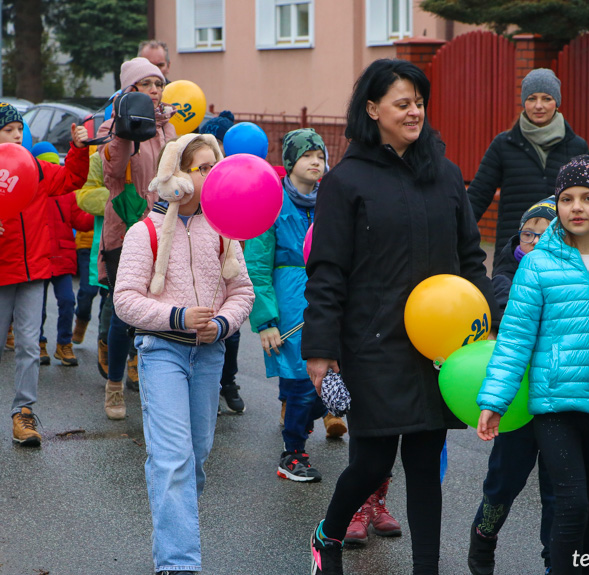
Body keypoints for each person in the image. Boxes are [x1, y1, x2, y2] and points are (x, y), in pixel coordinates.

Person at [303, 59, 499, 575]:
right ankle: (328, 535)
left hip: (440, 347)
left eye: (418, 102)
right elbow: (327, 271)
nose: (414, 111)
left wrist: (491, 327)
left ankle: (427, 568)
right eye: (401, 103)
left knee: (424, 463)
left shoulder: (446, 174)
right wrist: (321, 350)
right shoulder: (346, 181)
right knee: (370, 461)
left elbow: (470, 259)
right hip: (373, 343)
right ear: (373, 110)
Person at [476, 156, 589, 575]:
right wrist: (495, 399)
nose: (577, 207)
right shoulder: (537, 265)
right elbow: (514, 340)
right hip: (554, 406)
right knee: (571, 503)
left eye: (588, 197)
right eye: (567, 198)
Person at [113, 133, 254, 575]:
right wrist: (177, 317)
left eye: (215, 166)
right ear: (177, 175)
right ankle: (178, 565)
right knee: (172, 459)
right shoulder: (146, 232)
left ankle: (175, 535)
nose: (212, 175)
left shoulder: (225, 231)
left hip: (209, 356)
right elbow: (125, 300)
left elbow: (242, 291)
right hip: (162, 353)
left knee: (195, 457)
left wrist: (223, 324)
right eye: (202, 167)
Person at [0, 102, 89, 445]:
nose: (16, 135)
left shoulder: (38, 170)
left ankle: (23, 414)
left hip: (34, 272)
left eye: (19, 129)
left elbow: (73, 178)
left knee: (29, 344)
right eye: (7, 130)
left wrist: (78, 148)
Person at [246, 128, 345, 482]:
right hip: (288, 306)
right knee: (301, 382)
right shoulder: (272, 203)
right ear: (290, 163)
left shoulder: (332, 200)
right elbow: (256, 265)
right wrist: (266, 320)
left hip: (328, 299)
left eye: (320, 155)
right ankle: (293, 453)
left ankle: (296, 421)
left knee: (334, 380)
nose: (316, 161)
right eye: (307, 155)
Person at [468, 197, 557, 575]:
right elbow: (512, 321)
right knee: (504, 481)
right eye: (527, 233)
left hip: (558, 398)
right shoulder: (505, 279)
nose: (534, 240)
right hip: (517, 398)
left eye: (544, 233)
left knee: (557, 488)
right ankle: (483, 538)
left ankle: (554, 556)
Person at [97, 57, 177, 419]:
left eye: (158, 84)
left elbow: (178, 171)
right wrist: (125, 130)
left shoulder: (166, 127)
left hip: (163, 226)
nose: (155, 91)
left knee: (159, 307)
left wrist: (170, 131)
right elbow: (112, 173)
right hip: (126, 228)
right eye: (147, 85)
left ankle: (153, 383)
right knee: (123, 312)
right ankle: (114, 386)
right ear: (131, 90)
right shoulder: (115, 126)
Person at [468, 68, 589, 270]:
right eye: (532, 98)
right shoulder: (504, 144)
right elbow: (477, 196)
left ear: (557, 103)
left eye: (546, 98)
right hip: (513, 256)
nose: (539, 106)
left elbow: (587, 201)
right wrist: (453, 235)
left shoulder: (576, 147)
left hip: (563, 255)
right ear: (524, 102)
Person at [31, 141, 94, 367]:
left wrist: (99, 215)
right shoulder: (30, 192)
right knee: (37, 305)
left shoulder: (67, 193)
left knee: (67, 301)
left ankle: (64, 344)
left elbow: (80, 219)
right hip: (39, 257)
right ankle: (37, 343)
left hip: (63, 258)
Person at [199, 110, 246, 414]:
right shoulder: (197, 175)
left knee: (232, 329)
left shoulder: (235, 174)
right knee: (204, 322)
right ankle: (209, 386)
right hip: (201, 256)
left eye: (220, 143)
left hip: (229, 252)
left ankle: (228, 381)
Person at [75, 150, 111, 375]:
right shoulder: (99, 158)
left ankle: (130, 357)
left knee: (111, 301)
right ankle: (84, 321)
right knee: (89, 294)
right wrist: (123, 194)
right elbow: (82, 202)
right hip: (95, 247)